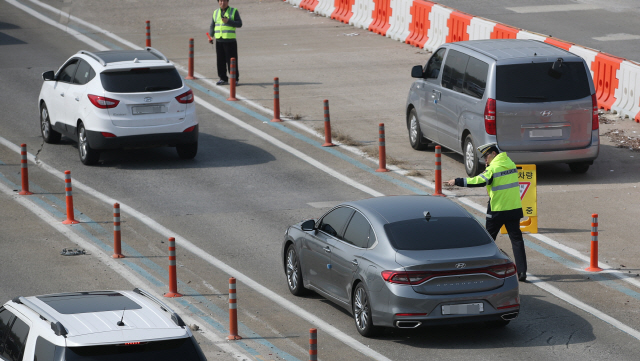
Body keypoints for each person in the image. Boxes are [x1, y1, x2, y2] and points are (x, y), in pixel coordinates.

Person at [445, 143, 528, 282]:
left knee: (487, 241)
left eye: (486, 156)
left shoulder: (493, 169)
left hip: (497, 210)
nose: (485, 160)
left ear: (494, 154)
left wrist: (457, 181)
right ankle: (522, 272)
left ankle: (477, 269)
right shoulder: (511, 164)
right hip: (514, 209)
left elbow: (478, 181)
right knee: (517, 241)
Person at [209, 0, 242, 85]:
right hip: (219, 40)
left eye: (224, 1)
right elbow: (213, 25)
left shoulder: (233, 11)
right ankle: (223, 78)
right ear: (218, 2)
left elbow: (239, 24)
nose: (222, 3)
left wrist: (228, 21)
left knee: (231, 61)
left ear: (228, 2)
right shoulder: (215, 12)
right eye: (221, 1)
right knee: (220, 61)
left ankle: (235, 79)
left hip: (230, 41)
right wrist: (211, 36)